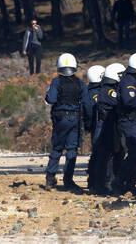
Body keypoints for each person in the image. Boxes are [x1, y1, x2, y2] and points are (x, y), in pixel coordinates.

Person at [44, 53, 88, 191]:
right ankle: (68, 180)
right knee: (72, 149)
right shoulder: (80, 83)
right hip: (75, 119)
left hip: (61, 119)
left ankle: (50, 179)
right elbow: (87, 103)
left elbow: (50, 100)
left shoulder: (56, 82)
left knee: (57, 148)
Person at [112, 52, 136, 195]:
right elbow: (129, 101)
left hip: (135, 120)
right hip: (129, 120)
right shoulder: (129, 81)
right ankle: (119, 181)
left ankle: (129, 184)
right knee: (135, 152)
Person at [92, 62, 126, 195]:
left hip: (110, 126)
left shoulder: (106, 89)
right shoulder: (108, 91)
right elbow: (117, 102)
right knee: (106, 156)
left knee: (114, 154)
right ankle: (103, 184)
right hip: (107, 126)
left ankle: (109, 183)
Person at [84, 65, 105, 192]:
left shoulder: (88, 92)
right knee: (99, 154)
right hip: (98, 126)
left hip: (93, 126)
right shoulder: (97, 94)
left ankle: (92, 181)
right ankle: (96, 182)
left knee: (95, 154)